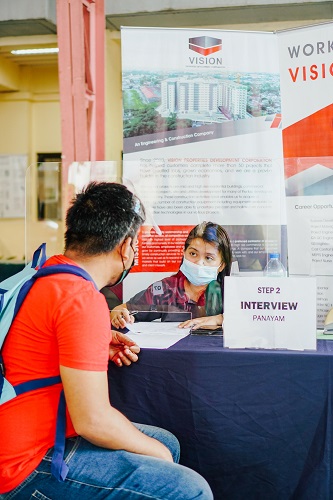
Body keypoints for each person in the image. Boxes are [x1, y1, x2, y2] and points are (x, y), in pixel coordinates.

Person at [0, 182, 213, 499]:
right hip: (23, 464)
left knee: (167, 442)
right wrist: (162, 460)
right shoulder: (80, 297)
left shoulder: (47, 271)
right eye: (137, 243)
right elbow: (94, 421)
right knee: (187, 487)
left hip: (25, 430)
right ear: (126, 247)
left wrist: (97, 338)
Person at [111, 221, 232, 331]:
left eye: (208, 258)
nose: (199, 263)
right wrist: (119, 315)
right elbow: (120, 310)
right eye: (193, 253)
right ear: (184, 253)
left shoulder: (231, 291)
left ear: (221, 265)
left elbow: (249, 320)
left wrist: (219, 319)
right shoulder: (165, 288)